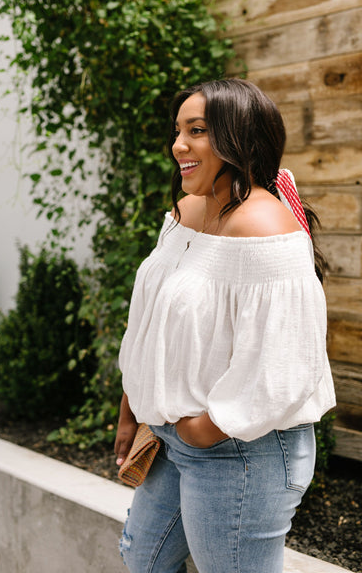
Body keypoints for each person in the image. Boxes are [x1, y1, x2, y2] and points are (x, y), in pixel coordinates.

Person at [115, 78, 336, 573]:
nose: (178, 145)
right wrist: (132, 408)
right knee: (143, 561)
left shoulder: (265, 228)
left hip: (242, 450)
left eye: (197, 130)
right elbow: (150, 319)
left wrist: (202, 429)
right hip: (177, 437)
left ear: (240, 139)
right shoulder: (185, 212)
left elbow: (284, 367)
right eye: (178, 130)